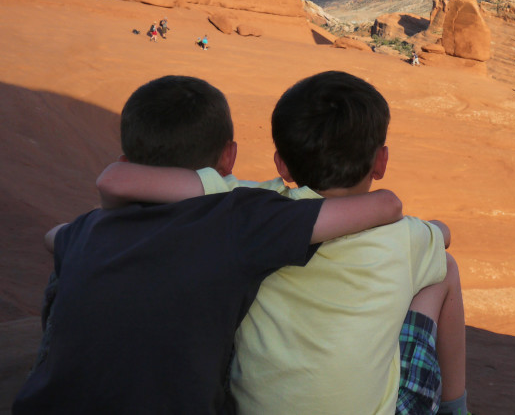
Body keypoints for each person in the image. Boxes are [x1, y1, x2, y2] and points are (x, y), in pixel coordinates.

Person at [13, 75, 402, 415]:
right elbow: (382, 205)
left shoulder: (87, 229)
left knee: (67, 274)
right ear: (228, 157)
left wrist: (100, 221)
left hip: (40, 404)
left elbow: (60, 233)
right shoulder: (241, 217)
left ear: (128, 160)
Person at [96, 71, 469, 415]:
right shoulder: (407, 236)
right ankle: (457, 408)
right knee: (442, 270)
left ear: (282, 165)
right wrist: (406, 216)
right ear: (380, 162)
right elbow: (444, 236)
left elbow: (118, 181)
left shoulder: (247, 205)